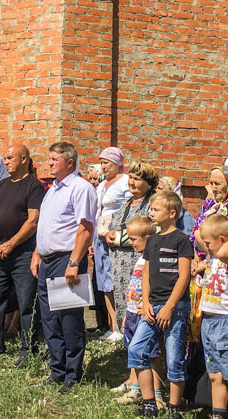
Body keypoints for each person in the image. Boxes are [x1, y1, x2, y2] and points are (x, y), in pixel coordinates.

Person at [31, 141, 97, 393]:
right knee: (49, 319)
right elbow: (47, 225)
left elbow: (85, 227)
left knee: (69, 318)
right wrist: (37, 252)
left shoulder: (80, 188)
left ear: (70, 162)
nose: (49, 163)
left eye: (54, 159)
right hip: (47, 260)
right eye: (49, 159)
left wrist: (73, 262)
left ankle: (73, 374)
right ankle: (56, 370)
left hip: (67, 259)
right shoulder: (53, 189)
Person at [126, 190, 192, 417]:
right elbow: (146, 274)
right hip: (151, 307)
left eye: (156, 209)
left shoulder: (182, 240)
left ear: (172, 213)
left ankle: (175, 408)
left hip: (174, 308)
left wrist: (169, 306)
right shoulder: (152, 240)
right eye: (151, 209)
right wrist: (145, 302)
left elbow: (184, 277)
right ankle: (149, 404)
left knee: (174, 358)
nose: (151, 213)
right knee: (136, 350)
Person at [0, 144, 46, 362]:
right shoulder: (1, 186)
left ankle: (27, 350)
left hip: (23, 252)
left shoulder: (34, 186)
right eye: (5, 158)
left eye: (10, 158)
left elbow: (33, 221)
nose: (6, 162)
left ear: (24, 159)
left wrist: (11, 244)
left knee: (26, 301)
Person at [195, 214, 228, 419]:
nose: (206, 247)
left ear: (224, 240)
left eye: (210, 243)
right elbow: (200, 235)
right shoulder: (212, 259)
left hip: (227, 322)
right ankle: (218, 414)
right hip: (209, 321)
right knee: (215, 374)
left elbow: (226, 252)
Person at [106, 161, 159, 329]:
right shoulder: (127, 202)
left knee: (138, 301)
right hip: (119, 264)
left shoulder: (153, 202)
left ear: (148, 183)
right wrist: (109, 234)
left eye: (137, 179)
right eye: (130, 177)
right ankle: (126, 340)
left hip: (139, 262)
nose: (132, 182)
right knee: (124, 300)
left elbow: (153, 230)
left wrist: (119, 238)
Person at [111, 215, 157, 405]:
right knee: (133, 351)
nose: (130, 243)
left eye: (133, 239)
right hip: (132, 312)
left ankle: (151, 391)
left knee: (147, 354)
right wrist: (128, 313)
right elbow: (134, 285)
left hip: (143, 312)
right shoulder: (140, 259)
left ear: (147, 238)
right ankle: (135, 387)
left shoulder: (152, 259)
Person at [94, 146, 131, 343]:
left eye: (106, 163)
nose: (103, 167)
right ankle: (112, 325)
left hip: (116, 236)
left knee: (118, 278)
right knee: (105, 281)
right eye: (101, 163)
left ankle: (124, 324)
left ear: (117, 164)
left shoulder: (124, 182)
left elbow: (128, 207)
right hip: (100, 236)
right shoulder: (101, 185)